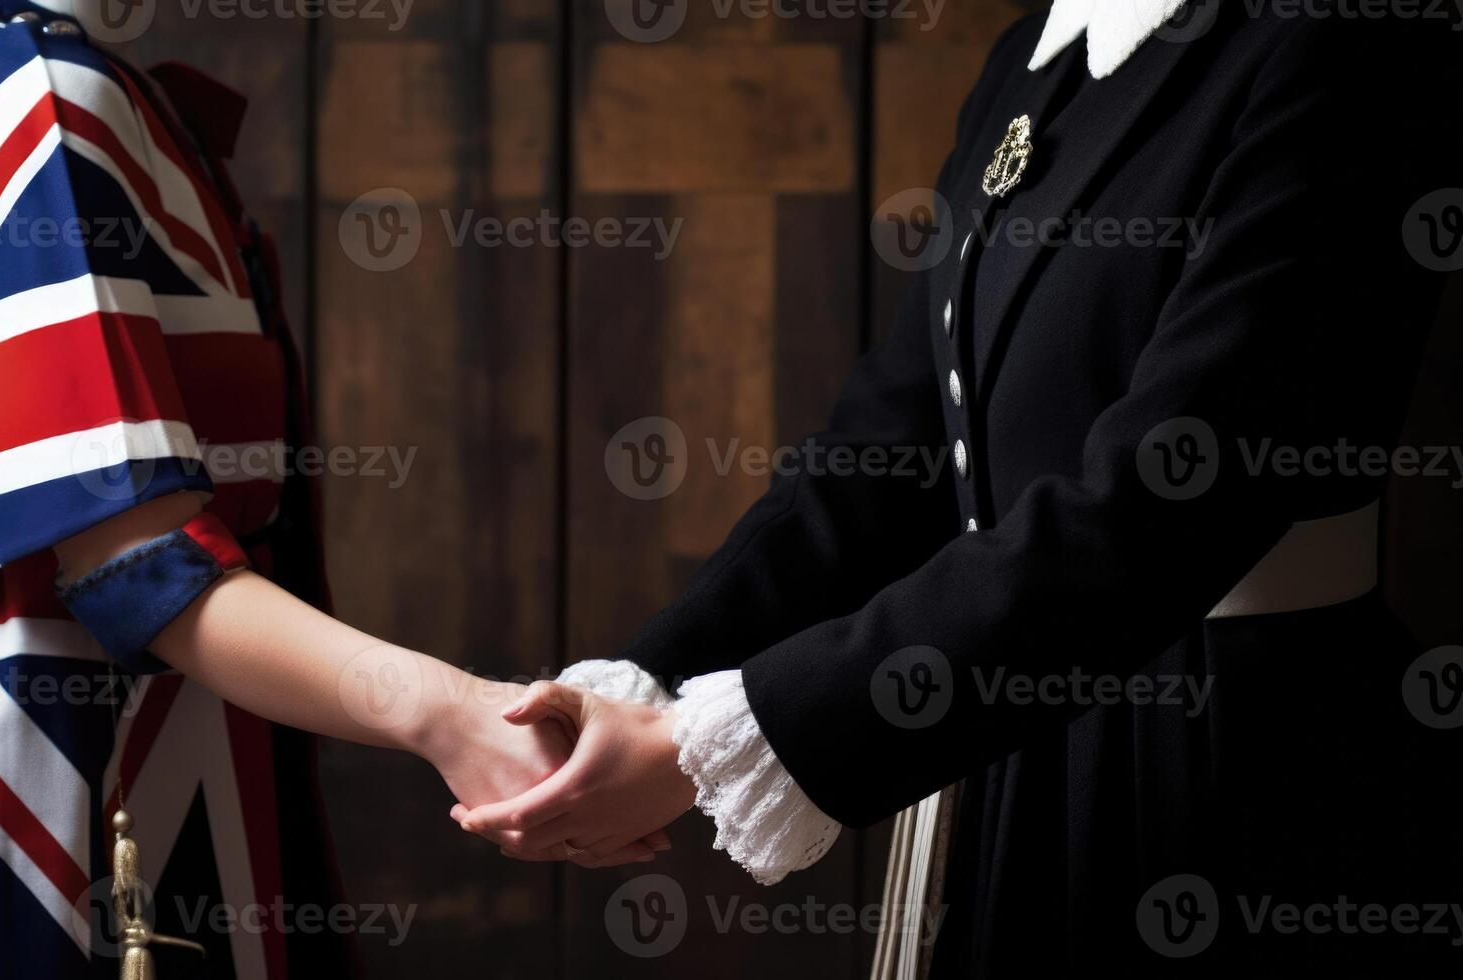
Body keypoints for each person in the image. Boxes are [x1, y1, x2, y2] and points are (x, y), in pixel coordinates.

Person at [456, 2, 1463, 974]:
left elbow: (1164, 506)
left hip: (1222, 772)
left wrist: (721, 739)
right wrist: (642, 683)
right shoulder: (1035, 53)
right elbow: (893, 450)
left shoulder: (1340, 40)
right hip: (1003, 734)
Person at [0, 3, 648, 978]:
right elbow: (133, 564)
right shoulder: (28, 93)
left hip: (164, 741)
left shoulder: (92, 83)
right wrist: (450, 711)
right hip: (15, 780)